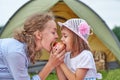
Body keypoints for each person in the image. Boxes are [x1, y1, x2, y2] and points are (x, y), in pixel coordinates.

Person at [0, 12, 65, 80]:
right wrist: (50, 65)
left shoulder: (25, 49)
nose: (57, 36)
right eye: (53, 32)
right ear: (38, 35)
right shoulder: (16, 52)